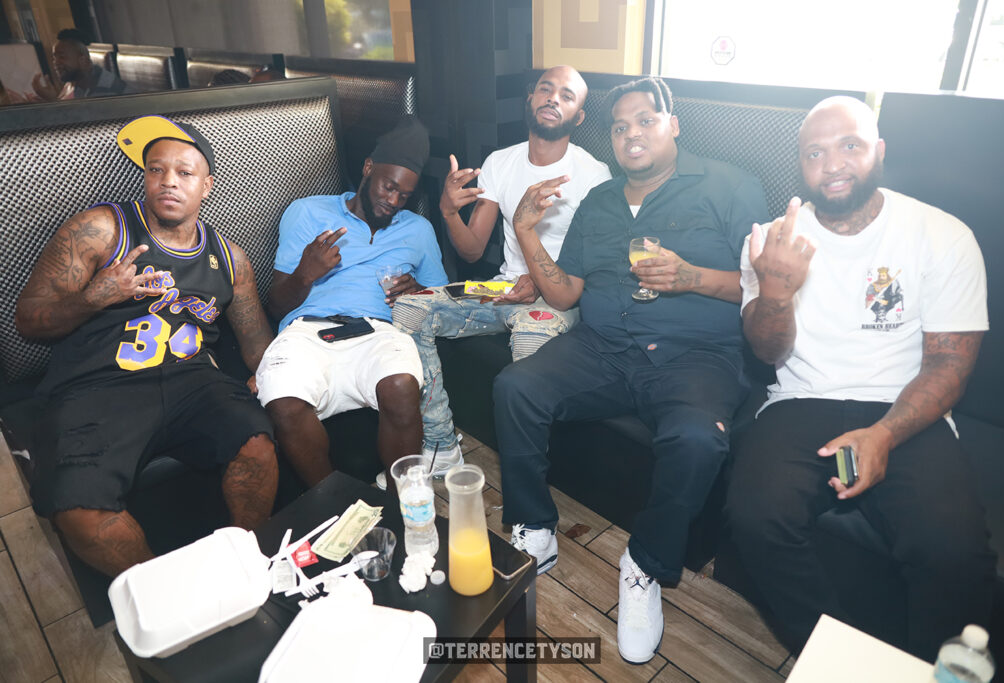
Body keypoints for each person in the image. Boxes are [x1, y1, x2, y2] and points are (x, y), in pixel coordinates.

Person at [494, 77, 769, 663]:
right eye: (620, 126)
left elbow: (767, 287)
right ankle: (534, 528)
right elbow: (564, 293)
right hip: (602, 348)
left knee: (697, 440)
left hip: (695, 357)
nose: (631, 134)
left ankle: (644, 565)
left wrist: (693, 277)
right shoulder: (598, 202)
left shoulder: (731, 187)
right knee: (516, 387)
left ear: (674, 125)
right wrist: (524, 230)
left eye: (646, 120)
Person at [725, 96, 996, 659]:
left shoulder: (942, 234)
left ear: (879, 150)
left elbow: (949, 365)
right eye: (814, 153)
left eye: (849, 145)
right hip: (802, 399)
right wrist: (775, 289)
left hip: (904, 406)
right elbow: (767, 353)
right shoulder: (772, 241)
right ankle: (840, 660)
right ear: (800, 166)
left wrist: (884, 436)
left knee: (954, 552)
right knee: (754, 517)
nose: (832, 164)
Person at [15, 116, 278, 577]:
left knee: (256, 444)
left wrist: (272, 372)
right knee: (79, 510)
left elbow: (257, 344)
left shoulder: (229, 257)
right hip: (97, 386)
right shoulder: (101, 229)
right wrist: (95, 297)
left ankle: (245, 568)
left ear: (207, 186)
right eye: (156, 169)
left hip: (192, 381)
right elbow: (28, 321)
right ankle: (168, 593)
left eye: (184, 172)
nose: (168, 181)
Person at [391, 65, 610, 482]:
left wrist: (539, 282)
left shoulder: (594, 176)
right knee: (409, 308)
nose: (553, 98)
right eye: (545, 89)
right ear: (530, 98)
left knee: (527, 349)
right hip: (500, 287)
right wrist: (448, 212)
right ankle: (441, 444)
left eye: (566, 96)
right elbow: (472, 249)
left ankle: (530, 477)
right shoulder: (501, 162)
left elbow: (593, 270)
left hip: (558, 298)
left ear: (579, 116)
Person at [256, 116, 447, 490]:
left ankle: (404, 501)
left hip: (378, 331)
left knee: (401, 385)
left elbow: (442, 302)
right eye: (389, 187)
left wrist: (419, 291)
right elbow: (276, 305)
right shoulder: (307, 212)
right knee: (283, 400)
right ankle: (334, 501)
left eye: (405, 196)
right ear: (368, 167)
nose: (393, 201)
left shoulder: (418, 229)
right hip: (307, 332)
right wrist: (305, 274)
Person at [30, 28, 130, 101]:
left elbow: (89, 120)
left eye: (62, 57)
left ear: (83, 60)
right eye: (54, 58)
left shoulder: (103, 89)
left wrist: (53, 101)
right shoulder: (74, 82)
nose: (55, 62)